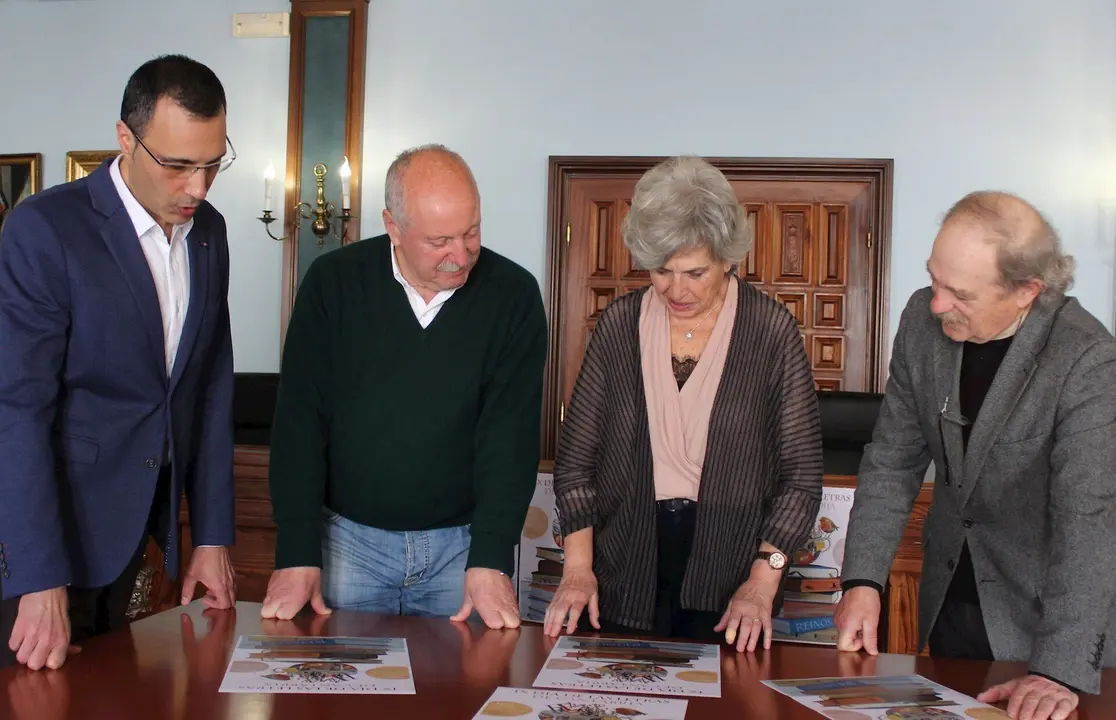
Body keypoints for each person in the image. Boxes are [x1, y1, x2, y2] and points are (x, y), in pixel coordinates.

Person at [835, 191, 1116, 720]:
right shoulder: (922, 319)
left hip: (1041, 626)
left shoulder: (1087, 359)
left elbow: (1089, 523)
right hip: (948, 604)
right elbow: (892, 461)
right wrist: (863, 580)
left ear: (1026, 291)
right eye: (933, 279)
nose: (936, 303)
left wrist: (1055, 671)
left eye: (958, 293)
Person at [0, 54, 238, 671]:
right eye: (179, 165)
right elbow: (17, 410)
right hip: (45, 542)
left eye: (213, 164)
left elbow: (209, 391)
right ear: (125, 139)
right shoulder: (44, 229)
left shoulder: (210, 234)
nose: (198, 187)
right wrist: (38, 576)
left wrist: (210, 535)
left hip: (140, 540)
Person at [544, 155, 824, 652]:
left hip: (734, 571)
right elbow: (577, 462)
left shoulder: (770, 331)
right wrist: (578, 568)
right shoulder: (620, 325)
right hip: (624, 563)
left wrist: (763, 583)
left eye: (695, 272)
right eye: (661, 271)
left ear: (728, 258)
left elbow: (800, 477)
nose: (677, 290)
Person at [261, 144, 547, 629]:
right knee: (339, 697)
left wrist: (493, 555)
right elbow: (299, 425)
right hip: (347, 542)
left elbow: (509, 439)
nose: (461, 256)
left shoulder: (513, 295)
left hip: (462, 546)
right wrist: (296, 550)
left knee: (461, 695)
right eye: (440, 241)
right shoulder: (333, 284)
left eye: (471, 232)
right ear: (393, 226)